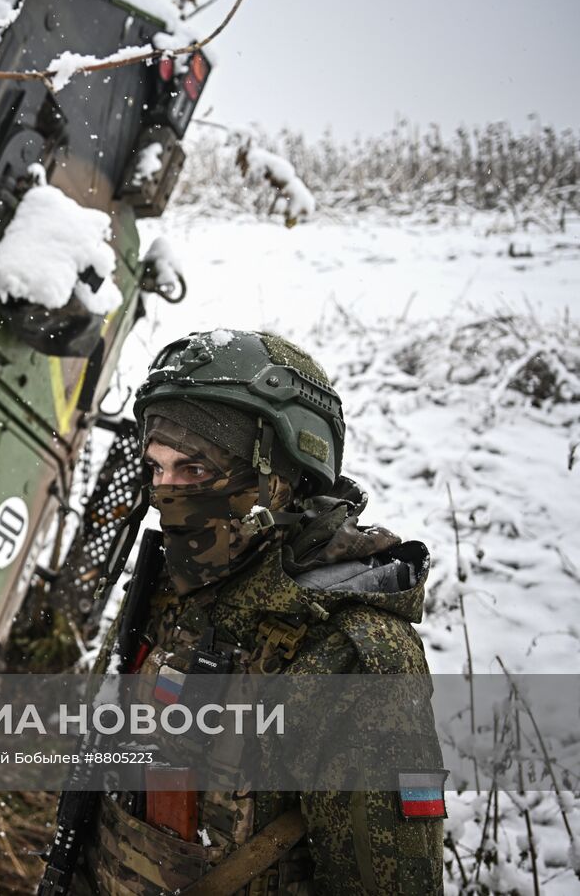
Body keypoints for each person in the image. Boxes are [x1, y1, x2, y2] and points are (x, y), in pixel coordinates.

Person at [81, 329, 444, 895]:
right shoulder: (171, 592)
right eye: (156, 468)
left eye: (195, 470)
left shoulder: (351, 655)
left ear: (281, 477)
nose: (166, 493)